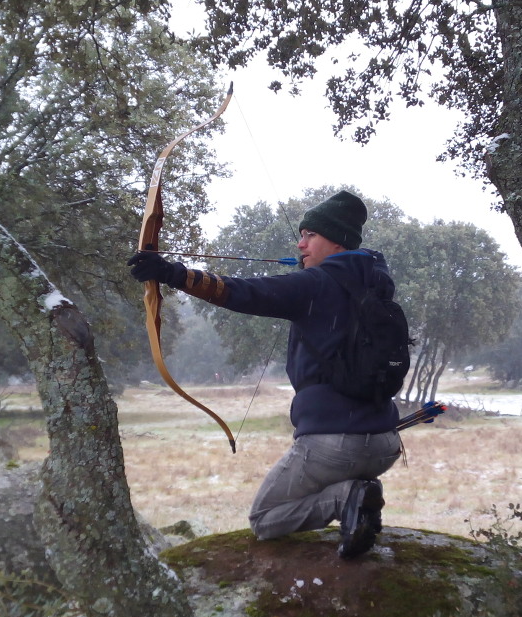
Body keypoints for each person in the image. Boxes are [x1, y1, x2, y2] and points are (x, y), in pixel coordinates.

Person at [127, 190, 402, 559]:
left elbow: (244, 292)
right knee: (326, 480)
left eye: (311, 235)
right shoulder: (376, 285)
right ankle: (360, 501)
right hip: (386, 444)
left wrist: (172, 273)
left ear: (338, 240)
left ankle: (346, 498)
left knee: (265, 518)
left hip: (332, 444)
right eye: (301, 235)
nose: (301, 244)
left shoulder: (316, 284)